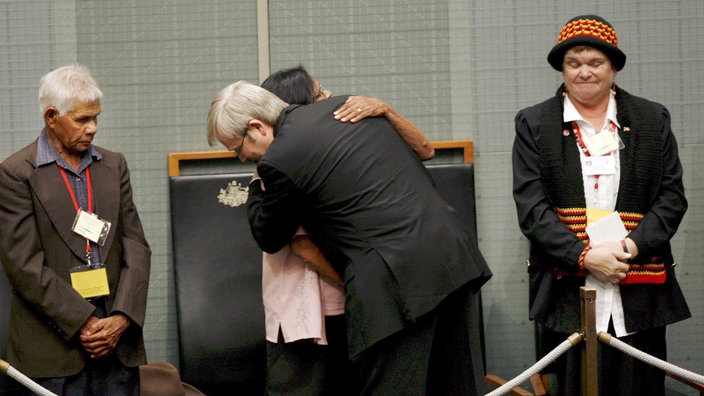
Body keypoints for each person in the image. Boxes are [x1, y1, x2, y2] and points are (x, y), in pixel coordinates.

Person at [206, 80, 492, 395]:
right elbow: (423, 151)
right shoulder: (348, 107)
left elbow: (270, 235)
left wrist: (257, 180)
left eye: (237, 149)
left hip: (394, 283)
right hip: (452, 256)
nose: (242, 158)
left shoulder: (280, 158)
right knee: (456, 384)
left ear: (257, 126)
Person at [512, 15, 690, 395]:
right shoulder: (534, 123)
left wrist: (629, 248)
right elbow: (532, 207)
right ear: (562, 68)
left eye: (595, 63)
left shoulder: (651, 117)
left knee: (641, 384)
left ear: (613, 67)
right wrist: (583, 256)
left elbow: (672, 198)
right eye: (574, 64)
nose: (584, 73)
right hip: (567, 283)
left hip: (639, 277)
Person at [258, 65, 435, 395]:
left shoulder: (341, 151)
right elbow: (303, 247)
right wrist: (360, 287)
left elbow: (425, 150)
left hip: (350, 302)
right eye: (320, 95)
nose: (330, 99)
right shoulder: (283, 161)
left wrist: (385, 108)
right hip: (306, 312)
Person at [0, 64, 151, 395]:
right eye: (82, 120)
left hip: (117, 341)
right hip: (54, 348)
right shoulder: (15, 173)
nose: (93, 128)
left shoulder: (114, 165)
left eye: (96, 118)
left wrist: (123, 318)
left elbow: (136, 247)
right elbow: (24, 266)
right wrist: (84, 322)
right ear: (52, 116)